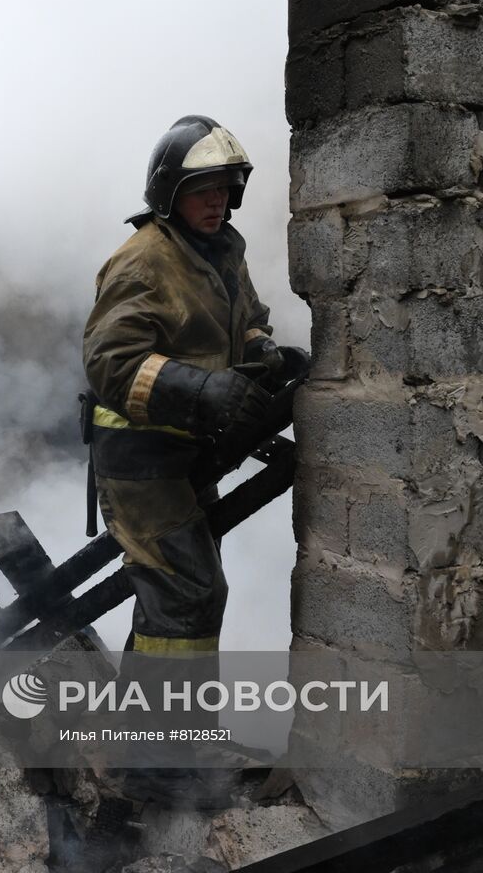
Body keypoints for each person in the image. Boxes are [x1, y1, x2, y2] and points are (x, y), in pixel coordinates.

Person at [83, 115, 306, 661]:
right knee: (189, 594)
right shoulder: (143, 261)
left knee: (181, 592)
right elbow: (109, 361)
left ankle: (162, 728)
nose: (216, 203)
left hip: (188, 448)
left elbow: (248, 319)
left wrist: (261, 354)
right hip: (140, 456)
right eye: (202, 191)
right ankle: (159, 746)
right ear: (169, 194)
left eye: (224, 190)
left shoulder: (223, 250)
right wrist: (204, 390)